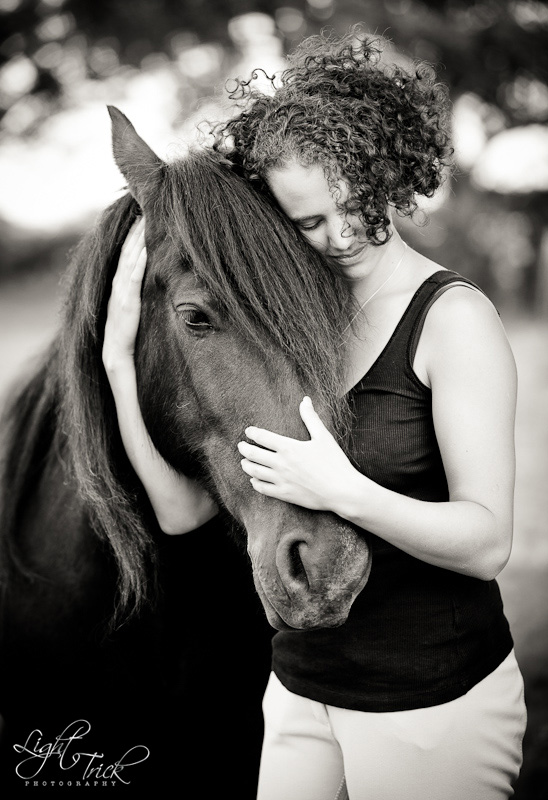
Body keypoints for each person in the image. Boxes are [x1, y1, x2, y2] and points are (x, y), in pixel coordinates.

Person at [103, 28, 527, 800]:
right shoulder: (299, 320)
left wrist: (342, 490)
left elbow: (489, 542)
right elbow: (179, 513)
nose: (340, 238)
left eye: (352, 205)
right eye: (306, 224)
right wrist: (115, 367)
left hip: (430, 701)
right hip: (301, 691)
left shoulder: (453, 321)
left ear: (387, 174)